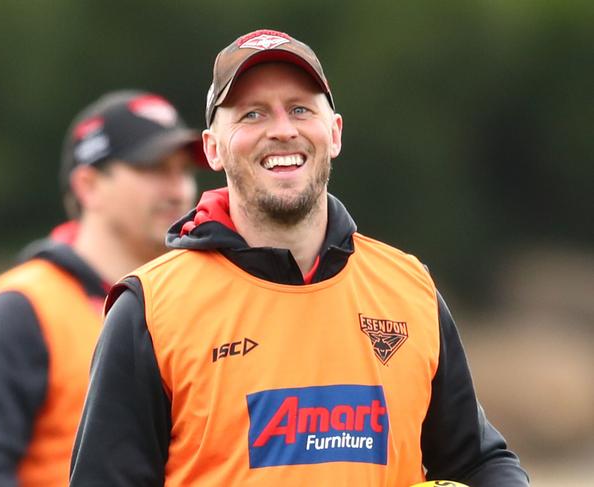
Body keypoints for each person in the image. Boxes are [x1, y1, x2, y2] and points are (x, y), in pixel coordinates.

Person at [69, 30, 530, 486]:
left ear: (334, 133)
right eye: (252, 114)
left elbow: (479, 462)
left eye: (300, 109)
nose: (282, 129)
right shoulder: (148, 309)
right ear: (213, 148)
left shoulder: (409, 287)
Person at [0, 89, 206, 486]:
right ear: (88, 186)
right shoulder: (18, 311)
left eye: (183, 170)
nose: (178, 190)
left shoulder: (189, 301)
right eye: (154, 169)